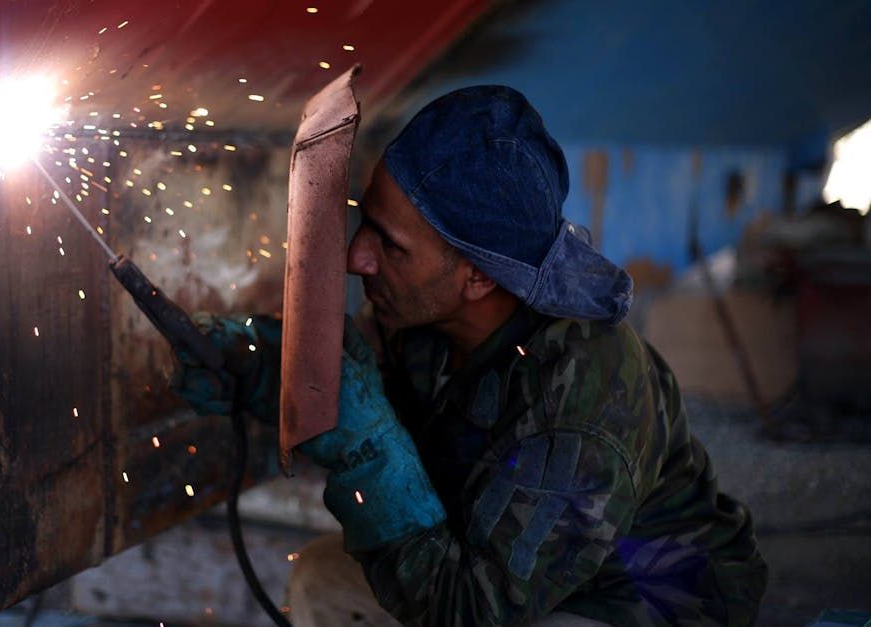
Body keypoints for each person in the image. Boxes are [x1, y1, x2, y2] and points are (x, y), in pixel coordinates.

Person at [170, 86, 767, 626]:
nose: (358, 258)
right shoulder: (423, 322)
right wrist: (260, 367)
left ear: (479, 276)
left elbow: (471, 611)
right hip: (516, 574)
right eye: (366, 223)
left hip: (643, 602)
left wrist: (367, 452)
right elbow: (356, 382)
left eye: (391, 246)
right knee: (325, 579)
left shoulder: (581, 409)